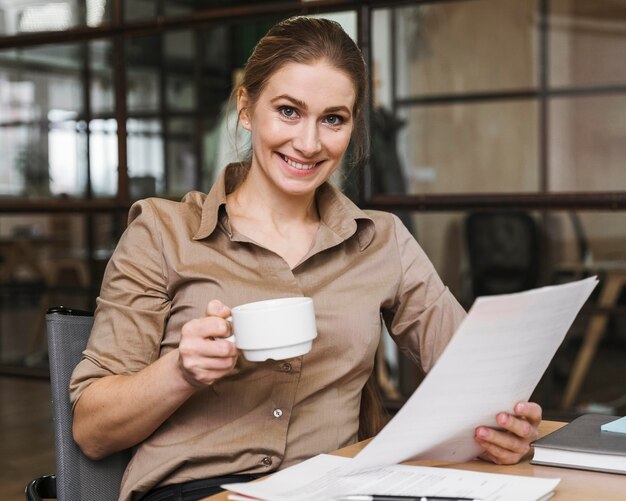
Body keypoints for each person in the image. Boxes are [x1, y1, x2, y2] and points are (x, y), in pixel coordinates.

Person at [69, 16, 542, 501]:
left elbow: (476, 377)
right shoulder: (163, 232)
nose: (310, 143)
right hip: (197, 491)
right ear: (247, 108)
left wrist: (504, 427)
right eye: (289, 111)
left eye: (333, 119)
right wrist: (181, 371)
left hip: (335, 488)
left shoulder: (382, 240)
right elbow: (92, 430)